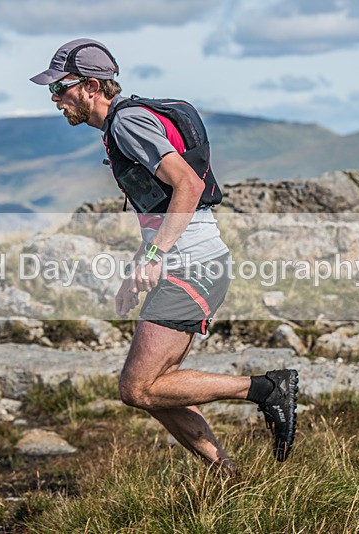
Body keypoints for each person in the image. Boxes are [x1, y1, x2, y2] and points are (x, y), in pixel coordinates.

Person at [30, 38, 298, 472]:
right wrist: (142, 262)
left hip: (193, 266)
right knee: (155, 387)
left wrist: (155, 256)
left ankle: (266, 390)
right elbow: (159, 208)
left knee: (138, 389)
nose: (56, 100)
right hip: (188, 264)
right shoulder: (122, 124)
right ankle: (226, 475)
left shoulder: (126, 124)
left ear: (92, 86)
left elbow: (188, 186)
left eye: (60, 89)